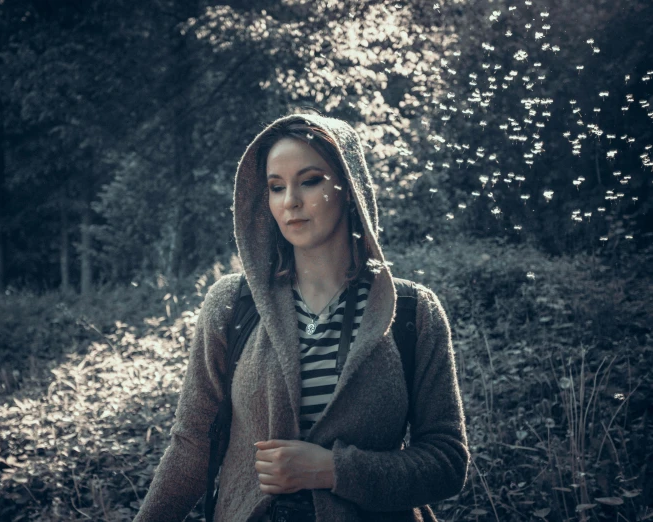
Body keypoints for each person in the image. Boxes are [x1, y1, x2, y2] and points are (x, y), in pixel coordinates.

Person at [132, 113, 469, 522]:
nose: (290, 200)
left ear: (349, 190)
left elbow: (448, 462)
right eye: (276, 187)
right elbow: (191, 447)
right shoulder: (232, 304)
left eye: (309, 181)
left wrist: (334, 470)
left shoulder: (414, 312)